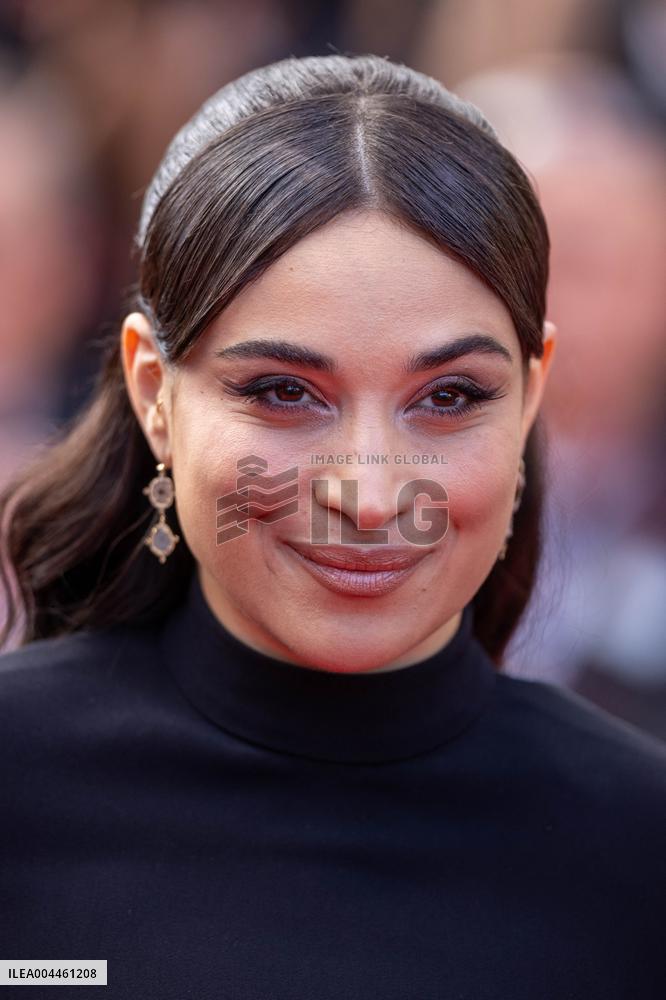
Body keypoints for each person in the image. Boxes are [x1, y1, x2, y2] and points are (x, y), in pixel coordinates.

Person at [0, 53, 664, 1000]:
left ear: (528, 400)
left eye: (448, 397)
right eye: (283, 393)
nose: (370, 494)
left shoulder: (640, 851)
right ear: (155, 393)